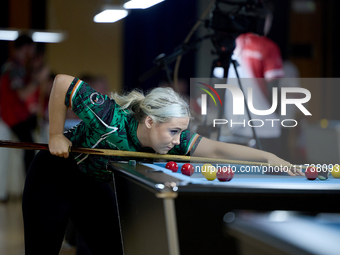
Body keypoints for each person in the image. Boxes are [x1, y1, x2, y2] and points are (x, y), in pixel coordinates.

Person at [22, 74, 303, 254]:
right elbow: (61, 83)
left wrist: (268, 157)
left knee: (118, 249)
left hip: (92, 184)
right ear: (149, 121)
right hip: (54, 176)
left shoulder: (169, 137)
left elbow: (215, 148)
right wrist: (56, 135)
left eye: (180, 132)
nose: (177, 140)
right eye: (173, 131)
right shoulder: (107, 115)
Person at [221, 1, 285, 157]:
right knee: (268, 178)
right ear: (266, 19)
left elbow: (219, 85)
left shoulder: (232, 44)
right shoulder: (269, 47)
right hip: (265, 128)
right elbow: (274, 88)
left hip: (234, 126)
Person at [0, 34, 41, 173]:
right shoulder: (15, 67)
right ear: (25, 48)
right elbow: (22, 94)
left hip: (16, 115)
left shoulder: (18, 66)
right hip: (12, 116)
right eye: (31, 49)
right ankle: (30, 182)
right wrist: (37, 80)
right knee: (30, 147)